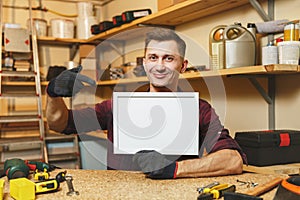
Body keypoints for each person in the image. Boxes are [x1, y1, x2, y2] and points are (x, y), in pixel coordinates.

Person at [46, 28, 247, 179]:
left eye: (169, 58)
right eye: (153, 57)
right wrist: (53, 94)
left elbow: (232, 160)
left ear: (183, 66)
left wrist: (174, 169)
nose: (159, 66)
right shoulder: (118, 107)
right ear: (144, 63)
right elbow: (59, 123)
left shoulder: (199, 110)